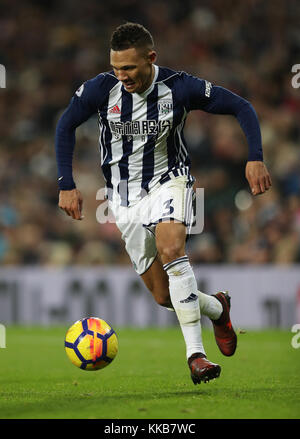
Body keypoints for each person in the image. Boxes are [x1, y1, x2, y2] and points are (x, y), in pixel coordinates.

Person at [55, 22, 272, 384]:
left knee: (173, 250)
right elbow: (65, 125)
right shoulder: (101, 89)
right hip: (122, 199)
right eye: (116, 68)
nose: (122, 76)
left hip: (169, 181)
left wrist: (255, 156)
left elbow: (242, 107)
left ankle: (196, 357)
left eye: (129, 68)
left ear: (151, 58)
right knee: (162, 295)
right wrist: (66, 183)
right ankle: (218, 309)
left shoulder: (180, 87)